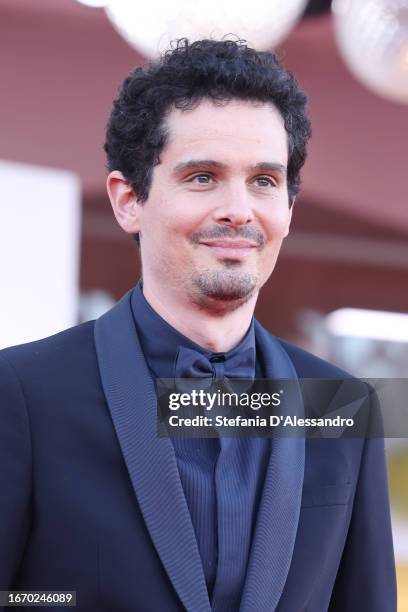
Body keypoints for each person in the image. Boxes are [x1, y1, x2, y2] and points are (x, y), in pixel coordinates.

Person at [0, 38, 396, 611]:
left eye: (263, 180)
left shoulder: (342, 405)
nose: (239, 209)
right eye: (203, 177)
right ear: (128, 199)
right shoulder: (22, 393)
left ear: (288, 206)